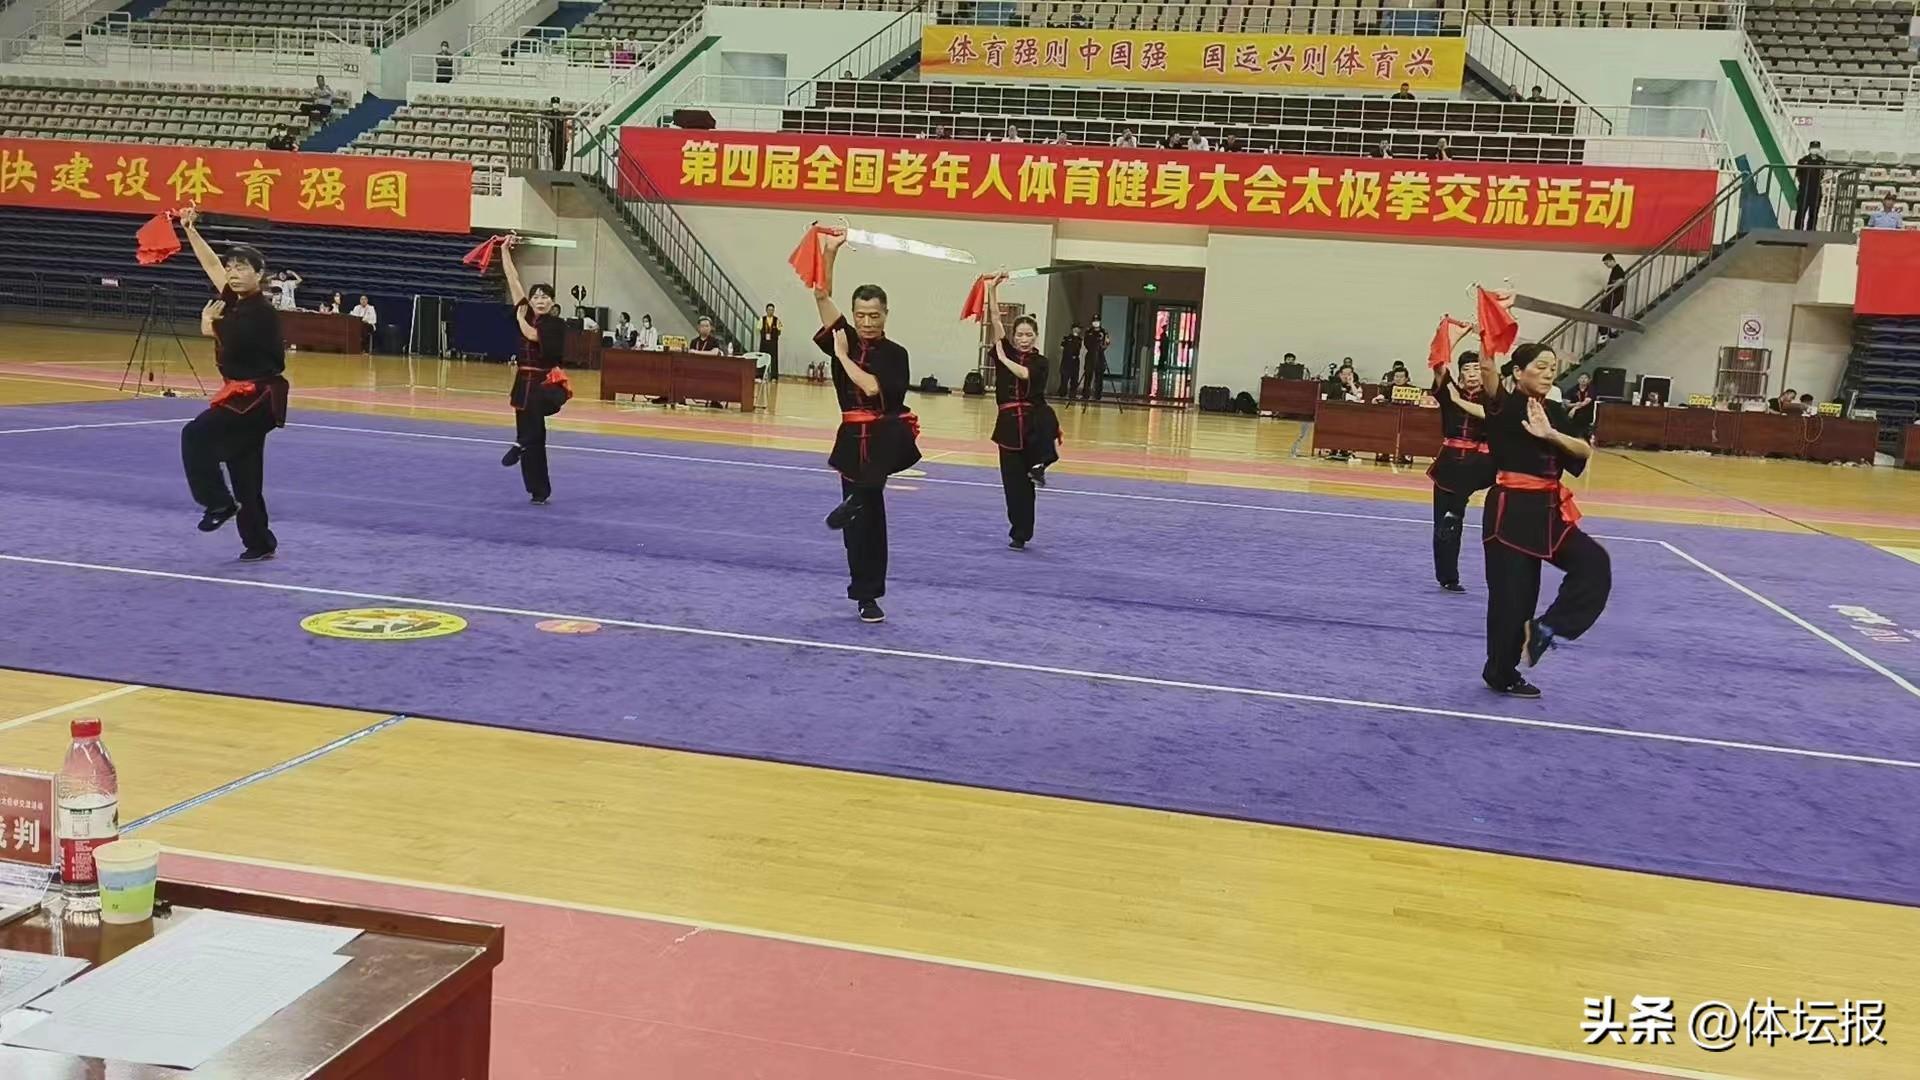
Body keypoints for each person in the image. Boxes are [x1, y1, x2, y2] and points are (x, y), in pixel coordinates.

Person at [1476, 328, 1612, 698]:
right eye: (1540, 366)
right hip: (1511, 512)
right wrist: (1489, 329)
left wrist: (1551, 434)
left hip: (1550, 511)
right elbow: (1487, 370)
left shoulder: (1554, 412)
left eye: (1552, 367)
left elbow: (1583, 451)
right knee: (1513, 599)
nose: (1549, 373)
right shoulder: (1504, 406)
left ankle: (1548, 628)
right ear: (1518, 372)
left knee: (1594, 564)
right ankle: (1501, 672)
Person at [810, 227, 921, 623]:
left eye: (874, 315)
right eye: (860, 315)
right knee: (859, 527)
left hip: (885, 437)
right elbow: (821, 294)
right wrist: (831, 252)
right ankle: (863, 593)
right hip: (850, 440)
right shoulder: (848, 338)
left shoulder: (896, 354)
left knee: (871, 513)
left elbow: (873, 388)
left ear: (885, 314)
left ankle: (871, 589)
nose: (867, 322)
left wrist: (841, 358)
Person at [175, 206, 288, 562]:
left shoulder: (261, 312)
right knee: (244, 469)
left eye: (242, 267)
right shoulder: (235, 300)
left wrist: (209, 325)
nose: (233, 273)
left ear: (260, 274)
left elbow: (234, 338)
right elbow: (210, 263)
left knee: (195, 435)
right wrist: (190, 230)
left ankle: (217, 502)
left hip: (256, 397)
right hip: (248, 397)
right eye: (231, 268)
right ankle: (259, 542)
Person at [984, 275, 1061, 549]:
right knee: (1013, 485)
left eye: (1029, 335)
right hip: (1007, 427)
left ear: (1035, 336)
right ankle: (1018, 532)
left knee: (1047, 424)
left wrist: (1003, 359)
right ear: (1014, 336)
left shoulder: (1041, 362)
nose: (1024, 339)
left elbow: (1025, 374)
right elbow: (995, 319)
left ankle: (1040, 465)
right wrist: (992, 289)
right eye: (1019, 334)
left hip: (1032, 423)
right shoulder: (1005, 349)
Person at [500, 238, 568, 505]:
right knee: (535, 439)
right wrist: (504, 250)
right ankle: (538, 490)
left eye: (545, 297)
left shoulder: (556, 324)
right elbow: (513, 279)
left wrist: (519, 317)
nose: (540, 300)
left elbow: (532, 335)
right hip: (523, 382)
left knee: (532, 428)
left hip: (545, 383)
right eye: (536, 296)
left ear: (552, 302)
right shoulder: (526, 311)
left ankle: (519, 443)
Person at [1428, 344, 1494, 593]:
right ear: (1461, 373)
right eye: (1467, 369)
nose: (1473, 373)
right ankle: (1448, 577)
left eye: (1477, 368)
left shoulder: (1493, 397)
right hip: (1449, 465)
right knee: (1445, 525)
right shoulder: (1450, 392)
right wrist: (1451, 336)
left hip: (1481, 465)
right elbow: (1438, 365)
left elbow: (1492, 416)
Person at [1794, 141, 1827, 230]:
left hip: (1816, 190)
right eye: (1813, 147)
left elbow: (1823, 174)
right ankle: (1798, 230)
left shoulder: (1822, 161)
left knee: (1813, 213)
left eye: (1817, 148)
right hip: (1804, 190)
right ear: (1809, 149)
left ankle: (1810, 231)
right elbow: (1798, 174)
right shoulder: (1803, 160)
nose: (1815, 149)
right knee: (1801, 212)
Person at [1597, 254, 1626, 339]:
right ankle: (1607, 333)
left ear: (1612, 260)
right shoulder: (1614, 270)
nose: (1606, 265)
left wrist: (1608, 286)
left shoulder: (1618, 269)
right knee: (1605, 312)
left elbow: (1620, 281)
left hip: (1615, 296)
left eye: (1607, 263)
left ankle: (1604, 333)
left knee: (1604, 312)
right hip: (1612, 296)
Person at [1081, 316, 1109, 401]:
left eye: (1097, 321)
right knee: (1088, 375)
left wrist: (1103, 346)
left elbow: (1106, 343)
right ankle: (1085, 394)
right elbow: (1086, 343)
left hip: (1100, 355)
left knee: (1099, 376)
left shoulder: (1103, 332)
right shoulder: (1088, 331)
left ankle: (1098, 395)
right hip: (1090, 354)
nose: (1096, 323)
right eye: (1094, 321)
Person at [1057, 323, 1083, 402]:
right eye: (1075, 328)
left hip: (1075, 361)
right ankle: (1062, 394)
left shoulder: (1079, 339)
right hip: (1066, 360)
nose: (1077, 330)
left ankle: (1072, 395)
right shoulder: (1066, 338)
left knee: (1074, 379)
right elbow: (1061, 347)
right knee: (1064, 378)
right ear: (1072, 329)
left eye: (1078, 328)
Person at [544, 96, 570, 170]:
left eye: (557, 103)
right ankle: (556, 170)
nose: (555, 104)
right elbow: (545, 121)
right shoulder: (549, 114)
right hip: (553, 137)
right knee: (555, 155)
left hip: (560, 137)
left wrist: (553, 127)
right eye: (554, 103)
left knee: (561, 156)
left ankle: (559, 169)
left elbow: (561, 127)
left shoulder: (561, 115)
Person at [759, 303, 782, 380]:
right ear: (766, 310)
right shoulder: (762, 319)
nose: (770, 311)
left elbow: (779, 331)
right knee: (762, 358)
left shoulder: (777, 320)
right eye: (769, 310)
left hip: (773, 343)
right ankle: (760, 375)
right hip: (764, 342)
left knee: (774, 359)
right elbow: (759, 329)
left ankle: (774, 376)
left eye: (772, 310)